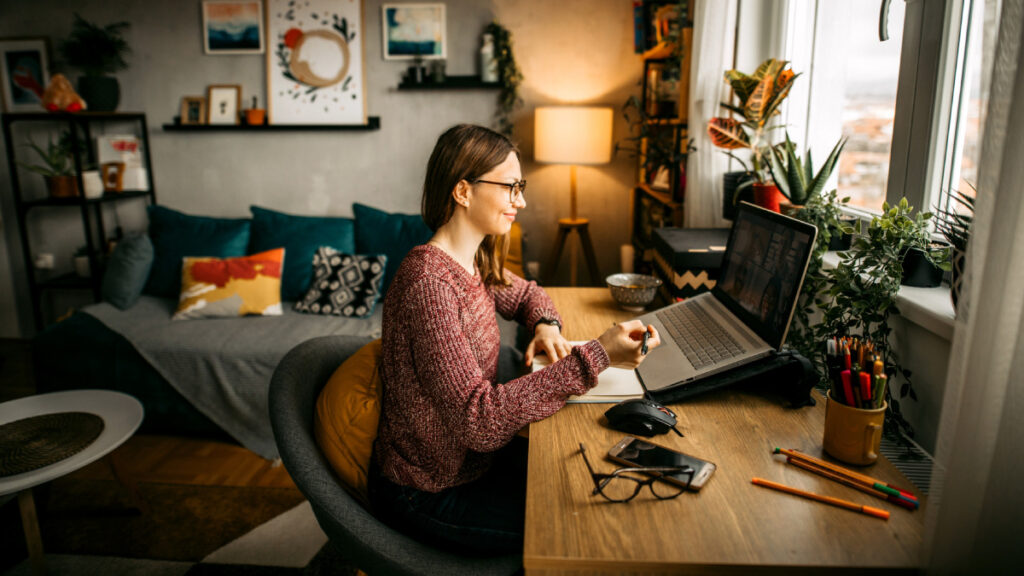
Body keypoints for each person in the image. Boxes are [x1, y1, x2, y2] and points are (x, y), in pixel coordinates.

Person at [368, 124, 661, 555]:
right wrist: (596, 356)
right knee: (592, 530)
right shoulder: (429, 284)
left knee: (597, 482)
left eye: (519, 187)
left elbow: (527, 294)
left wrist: (546, 325)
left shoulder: (471, 260)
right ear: (463, 192)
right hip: (429, 490)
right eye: (510, 187)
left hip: (475, 465)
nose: (520, 201)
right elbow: (480, 421)